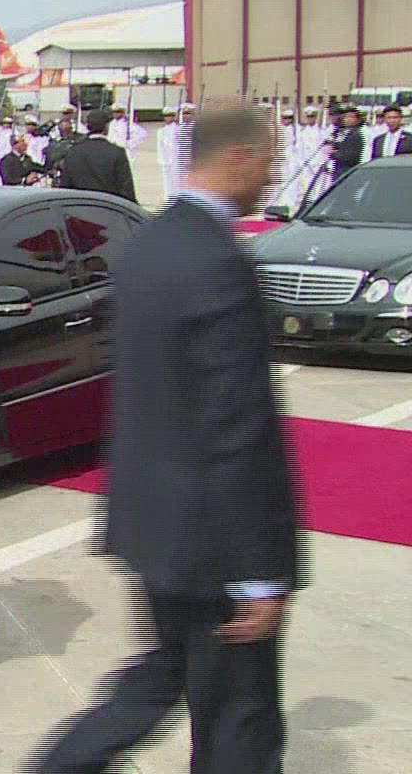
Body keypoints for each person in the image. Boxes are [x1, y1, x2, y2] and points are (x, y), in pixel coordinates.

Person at [29, 103, 303, 774]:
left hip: (153, 523)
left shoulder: (149, 245)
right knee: (239, 721)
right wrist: (259, 569)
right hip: (214, 540)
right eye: (268, 162)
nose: (271, 178)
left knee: (161, 680)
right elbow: (237, 422)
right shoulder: (218, 261)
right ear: (236, 157)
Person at [53, 108, 136, 201]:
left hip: (80, 206)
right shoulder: (117, 152)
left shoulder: (73, 151)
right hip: (108, 206)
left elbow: (66, 187)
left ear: (87, 126)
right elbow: (126, 189)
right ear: (106, 127)